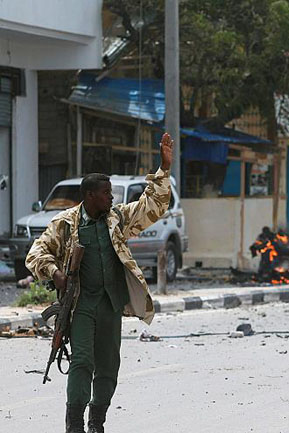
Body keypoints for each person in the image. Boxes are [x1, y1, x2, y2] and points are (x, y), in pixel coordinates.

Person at [26, 133, 175, 433]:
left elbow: (152, 207)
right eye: (107, 193)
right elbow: (36, 254)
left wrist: (164, 167)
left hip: (110, 304)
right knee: (82, 362)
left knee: (108, 367)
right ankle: (74, 425)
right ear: (90, 196)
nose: (112, 198)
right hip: (81, 305)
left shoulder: (116, 219)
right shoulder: (66, 224)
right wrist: (56, 273)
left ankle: (97, 421)